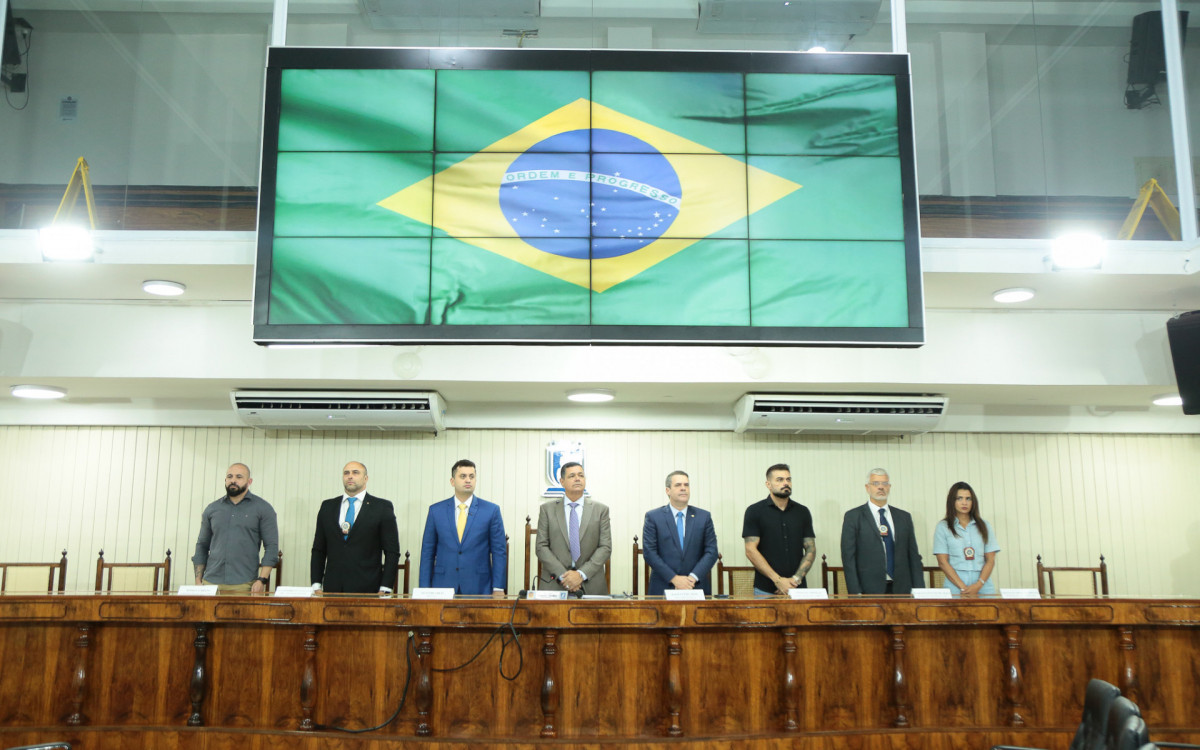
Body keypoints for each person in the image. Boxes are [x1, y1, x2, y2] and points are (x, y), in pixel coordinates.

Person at [310, 461, 401, 594]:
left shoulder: (382, 507)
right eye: (346, 473)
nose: (350, 476)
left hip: (369, 588)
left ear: (366, 478)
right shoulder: (327, 507)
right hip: (332, 588)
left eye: (355, 472)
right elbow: (319, 549)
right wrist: (316, 585)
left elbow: (392, 551)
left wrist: (385, 588)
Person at [419, 459, 507, 597]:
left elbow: (499, 552)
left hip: (479, 585)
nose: (468, 480)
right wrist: (424, 588)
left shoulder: (491, 511)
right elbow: (427, 552)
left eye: (471, 477)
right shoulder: (436, 511)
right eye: (463, 476)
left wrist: (498, 587)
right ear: (452, 481)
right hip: (443, 585)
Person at [192, 463, 279, 594]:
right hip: (210, 583)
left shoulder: (263, 509)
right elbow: (202, 545)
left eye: (239, 477)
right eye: (230, 476)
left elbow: (271, 547)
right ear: (225, 480)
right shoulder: (212, 509)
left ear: (249, 481)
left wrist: (261, 580)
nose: (233, 480)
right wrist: (198, 580)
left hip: (244, 585)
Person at [840, 468, 922, 595]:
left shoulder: (904, 517)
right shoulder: (853, 516)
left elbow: (913, 556)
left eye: (884, 484)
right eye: (876, 483)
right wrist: (855, 592)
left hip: (901, 588)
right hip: (868, 589)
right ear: (867, 488)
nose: (881, 487)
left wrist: (920, 590)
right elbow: (848, 558)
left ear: (889, 487)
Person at [535, 462, 611, 595]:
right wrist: (565, 577)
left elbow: (605, 547)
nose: (577, 478)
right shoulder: (547, 510)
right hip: (555, 584)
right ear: (562, 481)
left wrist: (580, 575)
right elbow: (541, 547)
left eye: (581, 475)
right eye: (572, 476)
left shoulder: (601, 510)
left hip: (591, 583)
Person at [743, 463, 816, 596]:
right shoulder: (754, 511)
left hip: (797, 588)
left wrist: (795, 580)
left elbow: (810, 548)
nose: (785, 483)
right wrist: (778, 580)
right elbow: (750, 550)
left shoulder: (802, 512)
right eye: (780, 480)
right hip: (765, 589)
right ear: (768, 484)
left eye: (788, 479)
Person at [641, 471, 719, 596]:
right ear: (668, 490)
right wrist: (674, 579)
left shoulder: (703, 517)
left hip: (695, 586)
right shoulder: (653, 517)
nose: (683, 488)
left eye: (686, 485)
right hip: (663, 586)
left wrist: (691, 579)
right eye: (678, 485)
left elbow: (712, 552)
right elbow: (650, 553)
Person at [932, 481, 1000, 596]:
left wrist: (979, 584)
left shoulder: (985, 525)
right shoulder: (943, 527)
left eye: (968, 499)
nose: (964, 503)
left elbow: (990, 560)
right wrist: (963, 588)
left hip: (982, 584)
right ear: (952, 501)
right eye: (959, 498)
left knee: (988, 614)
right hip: (955, 584)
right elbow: (942, 562)